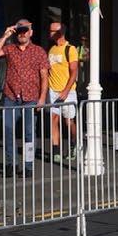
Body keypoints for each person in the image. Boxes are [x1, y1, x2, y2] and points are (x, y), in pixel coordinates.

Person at [0, 18, 49, 173]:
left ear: (31, 33)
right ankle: (11, 163)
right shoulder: (10, 49)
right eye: (19, 31)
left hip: (31, 97)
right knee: (8, 129)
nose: (22, 34)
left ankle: (28, 165)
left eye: (25, 31)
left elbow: (44, 77)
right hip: (11, 96)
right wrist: (5, 35)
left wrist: (42, 98)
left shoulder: (39, 51)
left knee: (29, 133)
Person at [44, 21, 80, 164]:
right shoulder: (52, 49)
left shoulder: (70, 49)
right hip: (53, 90)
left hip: (68, 91)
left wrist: (66, 90)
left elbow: (74, 72)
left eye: (53, 31)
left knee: (69, 121)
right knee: (53, 119)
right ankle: (56, 150)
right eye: (50, 30)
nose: (50, 33)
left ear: (60, 33)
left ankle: (74, 144)